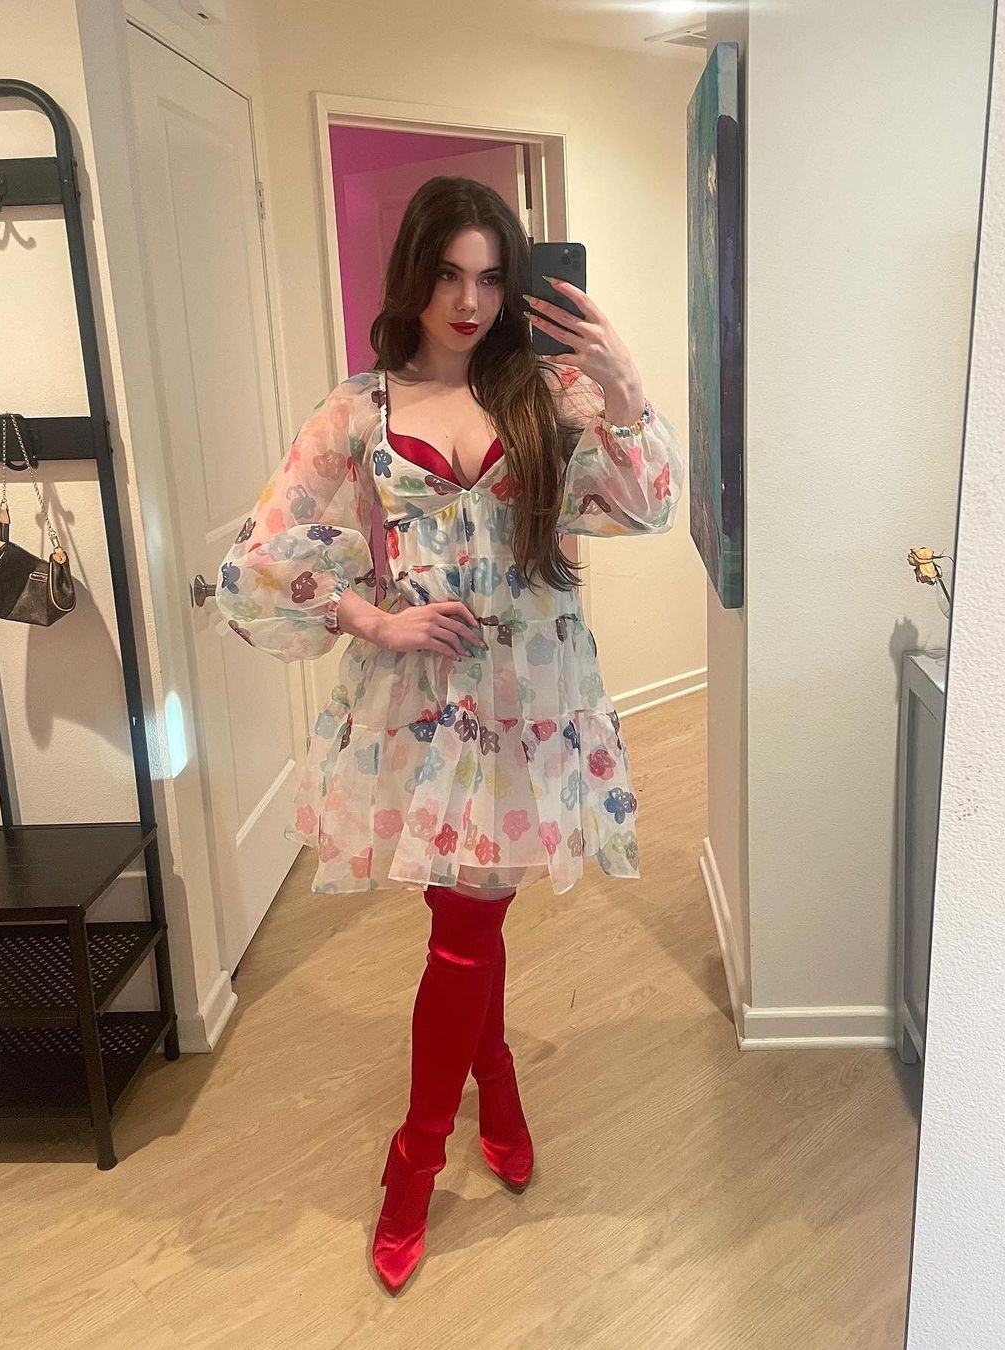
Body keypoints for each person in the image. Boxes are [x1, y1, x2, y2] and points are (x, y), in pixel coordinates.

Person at [216, 175, 684, 1294]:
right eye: (447, 275)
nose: (470, 302)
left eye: (490, 278)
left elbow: (651, 505)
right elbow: (257, 561)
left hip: (532, 699)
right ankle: (455, 1124)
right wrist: (373, 616)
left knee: (469, 921)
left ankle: (435, 1141)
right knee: (465, 923)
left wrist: (625, 388)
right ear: (413, 278)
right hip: (419, 706)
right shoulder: (359, 409)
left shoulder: (550, 396)